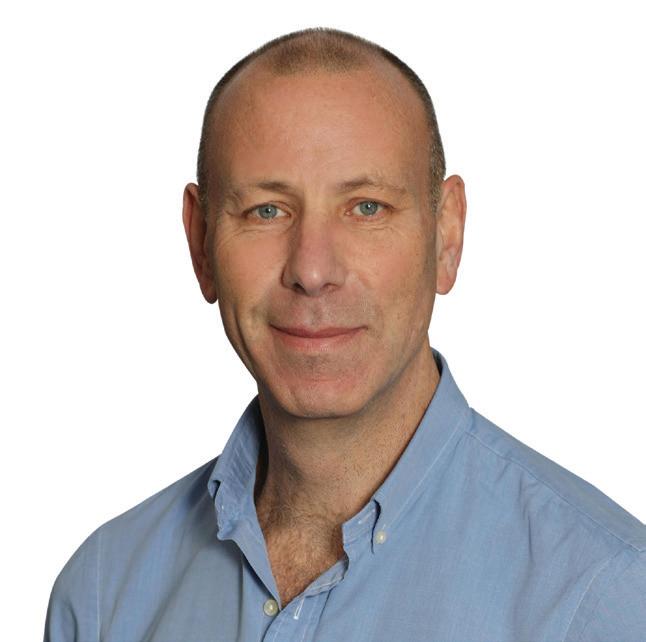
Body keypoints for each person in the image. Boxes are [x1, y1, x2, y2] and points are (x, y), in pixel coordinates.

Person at [43, 27, 646, 642]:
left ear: (447, 235)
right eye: (266, 210)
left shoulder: (608, 600)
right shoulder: (103, 595)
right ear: (201, 242)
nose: (312, 271)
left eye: (366, 207)